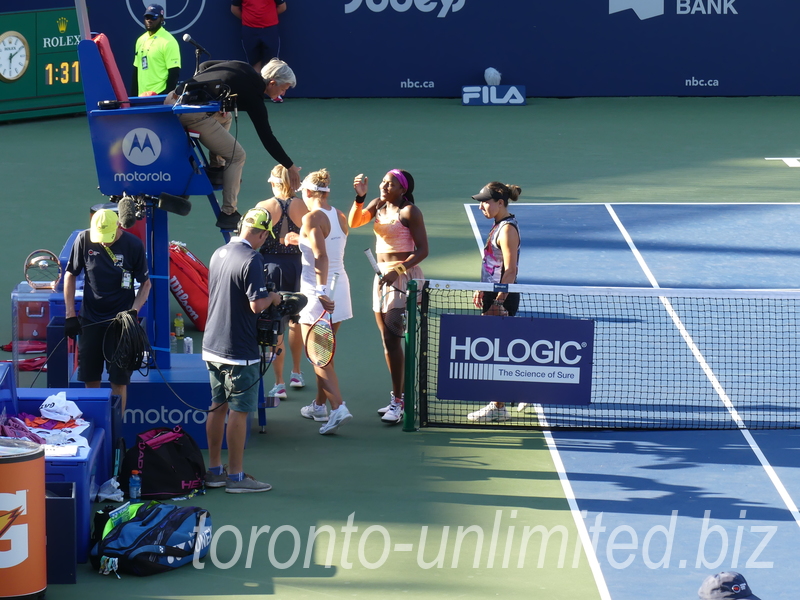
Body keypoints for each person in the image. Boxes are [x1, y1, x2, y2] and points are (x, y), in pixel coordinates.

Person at [202, 207, 282, 493]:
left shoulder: (218, 253)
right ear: (259, 233)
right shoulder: (252, 258)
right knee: (238, 411)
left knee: (217, 406)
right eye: (265, 236)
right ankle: (235, 477)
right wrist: (274, 296)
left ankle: (214, 471)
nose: (264, 241)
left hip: (212, 345)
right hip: (239, 349)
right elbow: (256, 304)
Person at [173, 58, 301, 230]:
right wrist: (290, 166)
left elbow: (205, 66)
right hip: (187, 112)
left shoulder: (244, 67)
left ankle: (217, 169)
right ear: (272, 83)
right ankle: (228, 213)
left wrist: (208, 94)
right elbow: (267, 138)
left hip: (173, 99)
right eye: (283, 88)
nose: (283, 94)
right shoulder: (253, 97)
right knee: (237, 155)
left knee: (225, 117)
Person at [348, 169, 428, 425]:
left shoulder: (409, 212)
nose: (384, 186)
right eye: (383, 182)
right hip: (382, 277)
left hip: (402, 278)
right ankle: (398, 397)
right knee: (387, 341)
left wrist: (398, 270)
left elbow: (423, 250)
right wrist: (360, 198)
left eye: (390, 184)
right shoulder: (378, 204)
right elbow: (355, 221)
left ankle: (401, 400)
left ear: (402, 190)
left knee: (393, 338)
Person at [63, 209, 152, 414]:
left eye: (108, 238)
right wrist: (70, 315)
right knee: (90, 378)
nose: (103, 242)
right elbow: (70, 276)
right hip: (90, 321)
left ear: (118, 228)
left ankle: (116, 431)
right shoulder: (84, 240)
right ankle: (94, 424)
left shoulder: (133, 245)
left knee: (118, 382)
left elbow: (145, 284)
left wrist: (133, 312)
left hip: (120, 326)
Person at [296, 169, 354, 434]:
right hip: (340, 289)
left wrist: (320, 290)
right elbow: (328, 245)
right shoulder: (340, 216)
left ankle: (338, 407)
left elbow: (320, 256)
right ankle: (319, 405)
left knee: (317, 355)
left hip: (318, 293)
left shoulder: (311, 218)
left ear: (309, 193)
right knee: (325, 353)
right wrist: (296, 239)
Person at [466, 182, 522, 423]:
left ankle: (500, 406)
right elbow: (493, 263)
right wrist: (482, 288)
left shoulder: (508, 229)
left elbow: (510, 271)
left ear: (501, 203)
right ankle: (505, 399)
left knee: (495, 355)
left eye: (485, 201)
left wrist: (498, 300)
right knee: (494, 353)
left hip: (503, 296)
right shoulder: (498, 225)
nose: (481, 206)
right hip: (493, 293)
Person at [255, 164, 308, 399]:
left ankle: (279, 382)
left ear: (274, 183)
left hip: (270, 268)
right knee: (296, 321)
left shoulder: (263, 207)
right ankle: (297, 373)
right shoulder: (305, 207)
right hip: (298, 267)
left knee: (275, 323)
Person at [231, 0, 287, 97]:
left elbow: (282, 7)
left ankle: (275, 93)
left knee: (273, 62)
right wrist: (249, 20)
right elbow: (234, 9)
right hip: (249, 30)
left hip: (270, 30)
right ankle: (256, 93)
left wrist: (268, 18)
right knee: (253, 62)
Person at [131, 4, 181, 96]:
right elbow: (136, 70)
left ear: (162, 19)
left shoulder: (169, 41)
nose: (149, 20)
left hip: (159, 95)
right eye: (147, 17)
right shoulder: (140, 40)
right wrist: (132, 98)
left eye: (153, 17)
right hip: (141, 96)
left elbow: (174, 73)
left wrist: (165, 96)